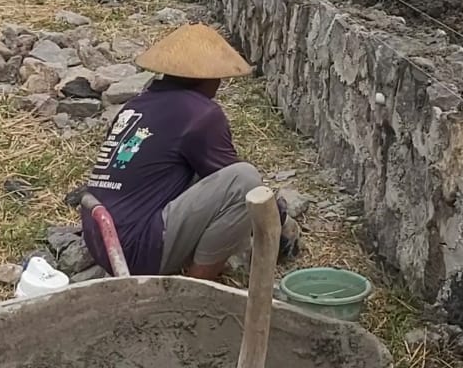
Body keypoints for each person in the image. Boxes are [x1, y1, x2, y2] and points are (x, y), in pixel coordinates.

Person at [80, 24, 299, 279]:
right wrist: (278, 217)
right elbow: (239, 185)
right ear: (207, 79)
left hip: (103, 239)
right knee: (244, 179)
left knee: (200, 174)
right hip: (136, 252)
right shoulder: (200, 113)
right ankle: (193, 293)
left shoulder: (136, 106)